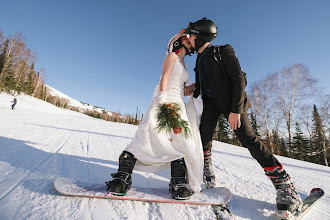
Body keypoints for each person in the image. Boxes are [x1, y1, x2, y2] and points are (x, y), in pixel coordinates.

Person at [184, 18, 303, 214]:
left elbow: (239, 79)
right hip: (211, 105)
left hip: (232, 103)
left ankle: (285, 186)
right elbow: (207, 82)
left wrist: (235, 110)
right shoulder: (199, 58)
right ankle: (207, 171)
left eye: (191, 35)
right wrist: (192, 87)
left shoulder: (223, 51)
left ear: (201, 36)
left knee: (249, 139)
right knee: (202, 138)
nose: (189, 39)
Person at [105, 31, 204, 200]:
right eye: (188, 40)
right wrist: (162, 97)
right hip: (164, 98)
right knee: (147, 134)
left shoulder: (184, 64)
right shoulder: (172, 56)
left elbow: (183, 90)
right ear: (180, 41)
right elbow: (164, 77)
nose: (190, 43)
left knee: (181, 140)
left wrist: (195, 86)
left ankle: (178, 182)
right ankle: (123, 177)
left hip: (178, 101)